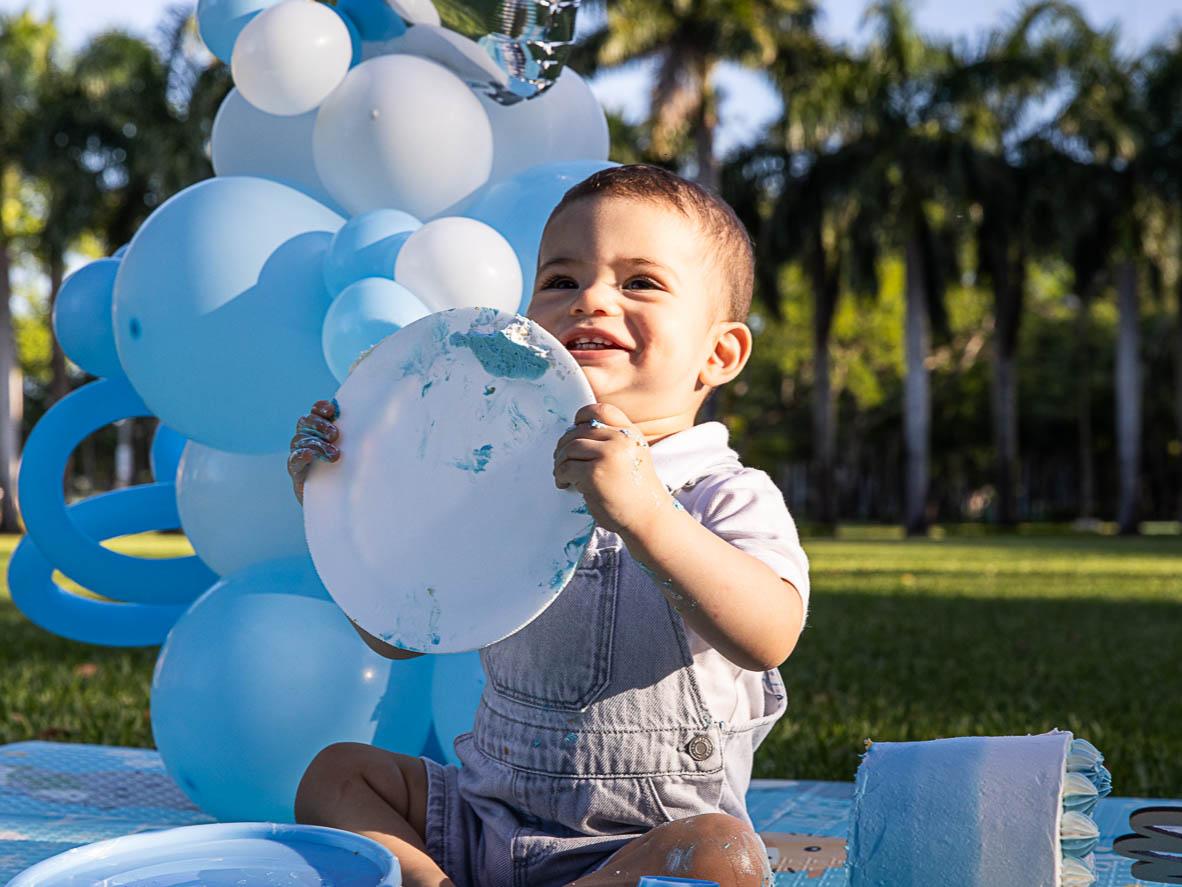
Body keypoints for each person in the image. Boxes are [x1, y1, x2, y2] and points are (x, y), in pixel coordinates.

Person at [286, 164, 810, 887]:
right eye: (561, 280)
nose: (590, 299)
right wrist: (334, 504)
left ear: (719, 354)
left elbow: (769, 634)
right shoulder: (493, 478)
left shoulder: (723, 492)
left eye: (640, 282)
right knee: (336, 774)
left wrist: (647, 515)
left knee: (727, 855)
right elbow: (397, 637)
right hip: (482, 821)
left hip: (639, 847)